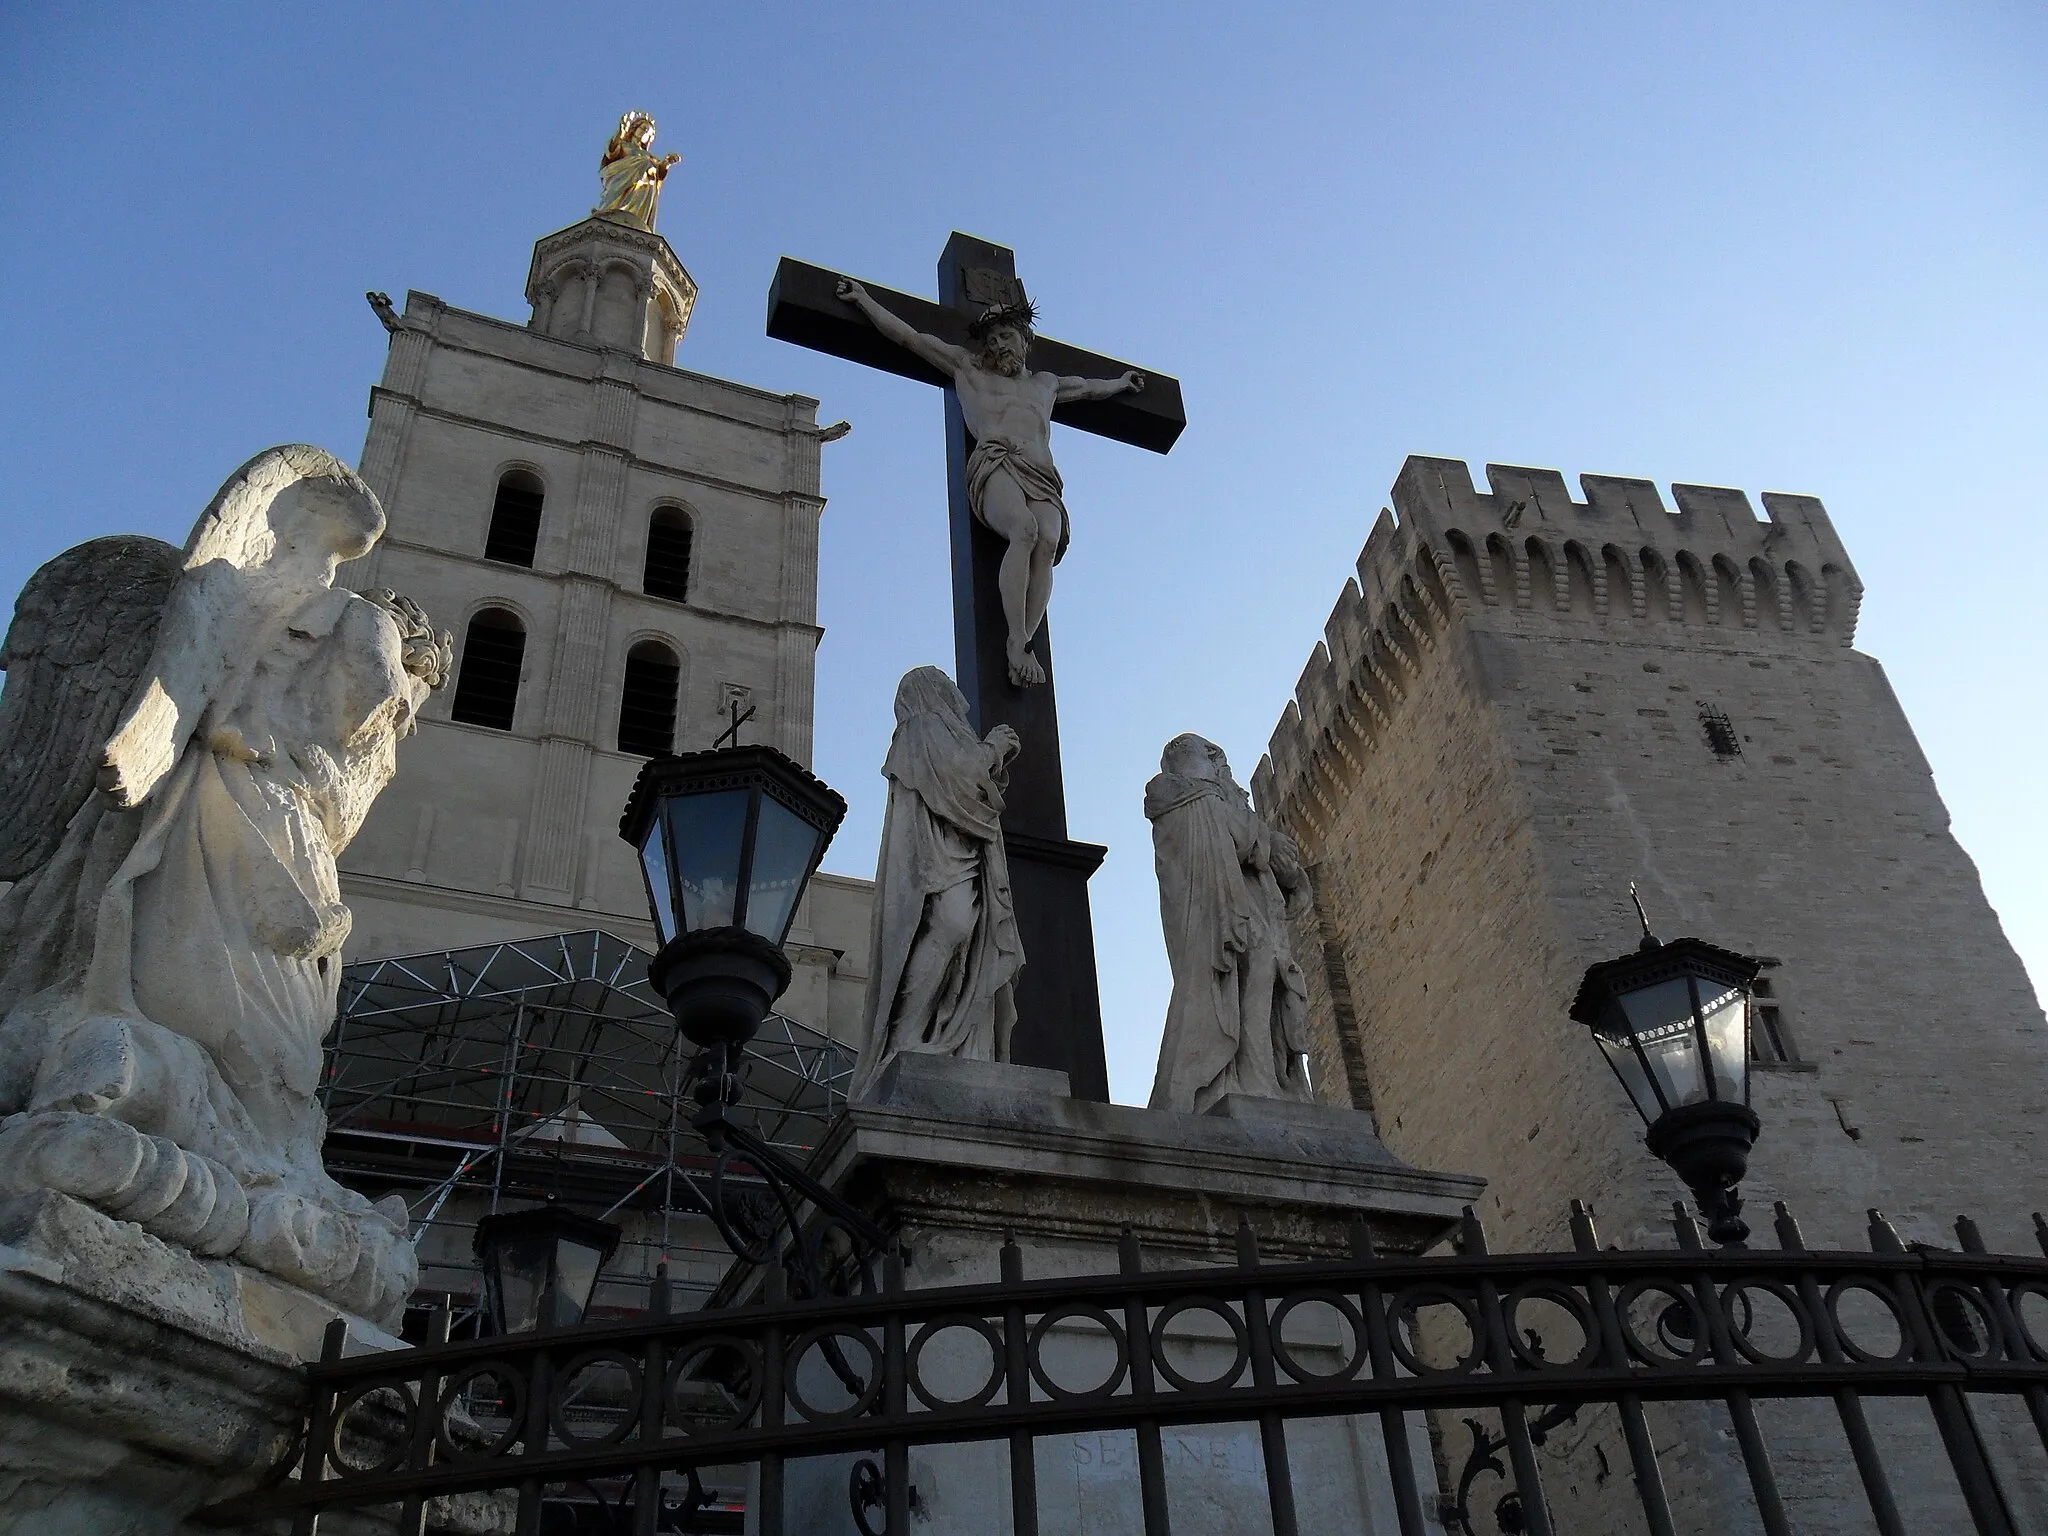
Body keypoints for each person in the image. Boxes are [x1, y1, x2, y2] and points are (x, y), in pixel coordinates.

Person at [837, 278, 1144, 687]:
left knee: (1048, 543)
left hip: (1043, 475)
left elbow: (1088, 389)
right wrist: (864, 302)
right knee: (1025, 530)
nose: (999, 345)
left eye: (1006, 336)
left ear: (1024, 340)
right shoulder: (968, 369)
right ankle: (1016, 639)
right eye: (993, 339)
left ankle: (1024, 641)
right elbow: (909, 337)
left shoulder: (1045, 384)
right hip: (996, 462)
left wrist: (1121, 384)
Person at [852, 667, 1023, 1097]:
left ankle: (954, 1036)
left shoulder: (943, 732)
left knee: (964, 935)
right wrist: (992, 747)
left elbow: (972, 785)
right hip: (936, 855)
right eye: (945, 684)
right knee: (950, 925)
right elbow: (958, 778)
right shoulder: (922, 727)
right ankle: (907, 1034)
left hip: (963, 851)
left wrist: (992, 756)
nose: (955, 693)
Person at [1146, 733, 1315, 1113]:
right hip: (1224, 919)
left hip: (1242, 910)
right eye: (1214, 760)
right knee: (1256, 973)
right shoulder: (1191, 799)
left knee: (1267, 980)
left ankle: (1267, 1077)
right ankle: (1256, 1080)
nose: (1224, 770)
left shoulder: (1197, 801)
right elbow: (1241, 839)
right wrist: (1268, 841)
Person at [595, 110, 680, 231]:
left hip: (644, 190)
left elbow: (659, 174)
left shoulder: (650, 157)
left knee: (647, 165)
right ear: (635, 128)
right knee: (612, 201)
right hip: (621, 179)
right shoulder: (624, 145)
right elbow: (611, 152)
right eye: (643, 128)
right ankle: (609, 211)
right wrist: (620, 132)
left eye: (648, 132)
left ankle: (636, 219)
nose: (644, 132)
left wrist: (667, 162)